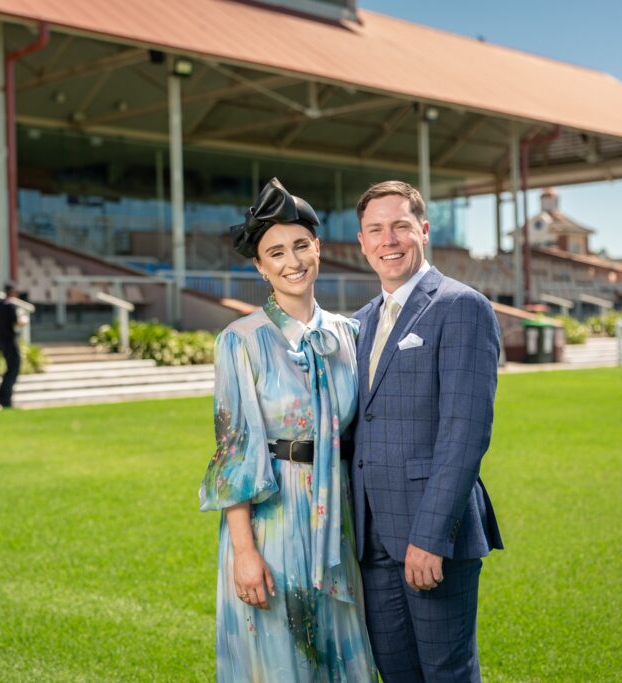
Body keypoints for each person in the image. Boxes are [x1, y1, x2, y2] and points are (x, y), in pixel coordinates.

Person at [199, 178, 377, 682]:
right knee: (280, 660)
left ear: (317, 248)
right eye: (275, 252)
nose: (292, 261)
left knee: (342, 657)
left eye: (301, 245)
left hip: (337, 513)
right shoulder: (240, 341)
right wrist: (244, 553)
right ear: (260, 267)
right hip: (271, 519)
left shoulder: (349, 334)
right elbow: (234, 452)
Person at [350, 180, 504, 682]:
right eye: (376, 230)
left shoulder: (461, 307)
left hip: (430, 534)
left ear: (423, 230)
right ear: (361, 242)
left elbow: (465, 434)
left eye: (400, 226)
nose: (388, 240)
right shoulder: (360, 323)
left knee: (446, 674)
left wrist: (431, 536)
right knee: (394, 673)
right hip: (370, 538)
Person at [0, 283, 25, 408]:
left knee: (10, 368)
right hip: (10, 342)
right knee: (13, 369)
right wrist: (23, 321)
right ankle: (5, 397)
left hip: (1, 342)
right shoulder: (10, 305)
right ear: (12, 292)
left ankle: (2, 394)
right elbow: (16, 323)